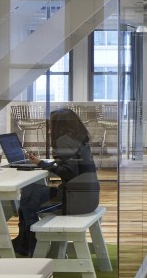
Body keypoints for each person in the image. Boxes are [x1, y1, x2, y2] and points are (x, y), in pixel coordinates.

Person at [12, 107, 100, 258]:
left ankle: (30, 244)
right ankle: (25, 241)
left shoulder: (63, 140)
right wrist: (42, 163)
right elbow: (73, 168)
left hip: (74, 202)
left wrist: (43, 164)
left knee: (29, 194)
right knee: (31, 192)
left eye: (51, 124)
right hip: (88, 198)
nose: (49, 127)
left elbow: (69, 171)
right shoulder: (79, 140)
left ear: (59, 125)